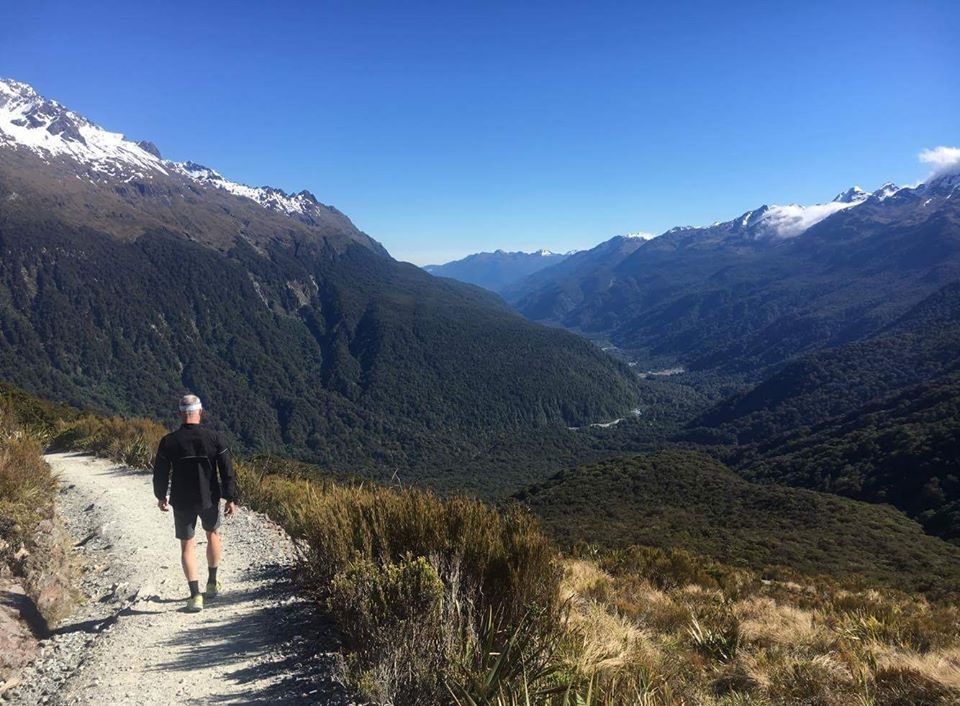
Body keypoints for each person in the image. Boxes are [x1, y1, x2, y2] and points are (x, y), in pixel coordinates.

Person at [152, 394, 238, 613]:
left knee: (187, 545)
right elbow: (226, 470)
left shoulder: (169, 441)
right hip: (209, 498)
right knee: (213, 535)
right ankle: (212, 583)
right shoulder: (215, 438)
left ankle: (195, 596)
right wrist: (230, 497)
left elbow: (160, 472)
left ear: (180, 413)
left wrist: (161, 496)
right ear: (200, 412)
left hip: (181, 501)